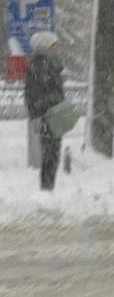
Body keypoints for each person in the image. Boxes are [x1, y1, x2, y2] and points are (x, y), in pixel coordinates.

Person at [24, 31, 65, 191]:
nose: (57, 48)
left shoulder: (45, 63)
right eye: (54, 45)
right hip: (49, 114)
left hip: (49, 114)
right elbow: (43, 92)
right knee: (50, 155)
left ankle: (48, 188)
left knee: (51, 154)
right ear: (47, 46)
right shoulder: (42, 64)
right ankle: (47, 189)